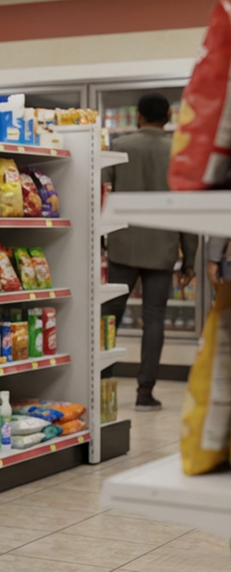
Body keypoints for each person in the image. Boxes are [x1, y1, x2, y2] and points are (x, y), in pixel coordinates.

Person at [102, 93, 198, 411]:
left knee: (109, 317)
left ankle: (101, 378)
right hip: (163, 247)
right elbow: (187, 209)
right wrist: (190, 258)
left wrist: (102, 239)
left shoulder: (121, 145)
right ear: (168, 116)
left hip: (122, 246)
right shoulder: (178, 151)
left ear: (138, 116)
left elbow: (102, 193)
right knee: (154, 319)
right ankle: (145, 391)